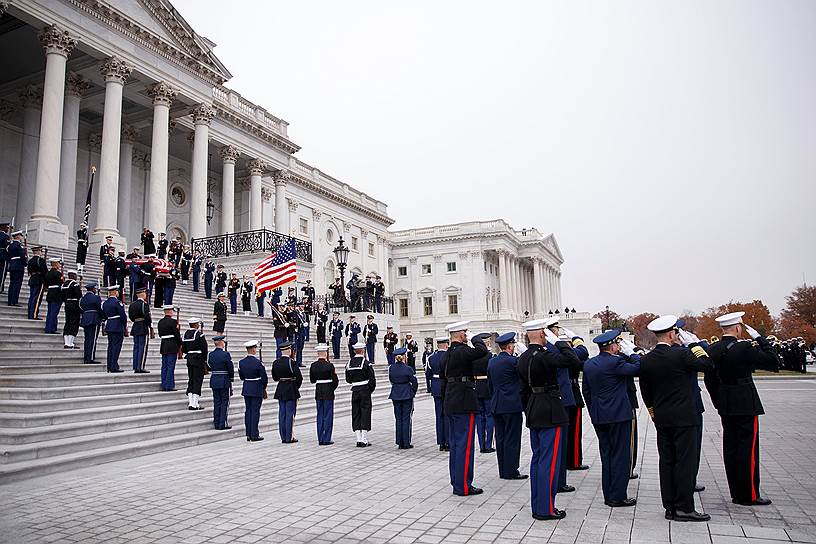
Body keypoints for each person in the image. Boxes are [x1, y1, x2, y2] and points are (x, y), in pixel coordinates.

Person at [640, 315, 713, 522]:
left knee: (667, 461)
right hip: (684, 417)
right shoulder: (681, 355)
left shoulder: (647, 360)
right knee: (685, 463)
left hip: (662, 417)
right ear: (672, 333)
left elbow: (645, 392)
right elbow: (708, 365)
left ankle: (670, 506)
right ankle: (684, 507)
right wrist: (696, 345)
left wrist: (654, 414)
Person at [704, 311, 780, 507]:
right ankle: (749, 494)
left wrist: (718, 400)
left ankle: (736, 492)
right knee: (748, 449)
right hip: (745, 403)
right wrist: (761, 339)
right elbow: (773, 361)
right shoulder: (744, 347)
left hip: (726, 403)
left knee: (731, 448)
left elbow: (709, 379)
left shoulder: (713, 349)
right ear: (738, 328)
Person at [517, 318, 582, 520]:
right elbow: (574, 361)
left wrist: (529, 409)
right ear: (544, 334)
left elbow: (523, 391)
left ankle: (539, 505)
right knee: (549, 462)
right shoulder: (545, 356)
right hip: (551, 411)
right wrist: (560, 342)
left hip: (534, 408)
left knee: (538, 461)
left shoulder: (523, 357)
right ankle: (546, 509)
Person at [582, 330, 641, 507]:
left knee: (606, 455)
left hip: (599, 415)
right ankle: (618, 496)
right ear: (614, 346)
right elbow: (638, 367)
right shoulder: (616, 362)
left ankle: (609, 494)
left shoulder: (590, 364)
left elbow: (586, 391)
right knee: (620, 456)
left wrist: (594, 412)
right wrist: (633, 352)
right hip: (618, 416)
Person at [442, 320, 489, 497]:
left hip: (452, 400)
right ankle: (463, 485)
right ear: (461, 335)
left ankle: (457, 481)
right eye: (466, 332)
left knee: (456, 444)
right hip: (464, 401)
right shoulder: (462, 351)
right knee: (465, 445)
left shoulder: (448, 353)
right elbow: (482, 351)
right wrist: (475, 338)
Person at [487, 332, 527, 480]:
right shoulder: (513, 362)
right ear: (510, 346)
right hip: (512, 405)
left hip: (497, 404)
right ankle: (511, 470)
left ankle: (503, 469)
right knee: (512, 438)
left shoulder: (492, 362)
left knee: (501, 437)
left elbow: (490, 385)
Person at [345, 341, 376, 447]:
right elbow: (372, 379)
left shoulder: (349, 363)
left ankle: (358, 438)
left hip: (355, 390)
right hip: (364, 390)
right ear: (363, 351)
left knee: (356, 413)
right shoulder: (366, 363)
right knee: (365, 413)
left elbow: (348, 379)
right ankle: (364, 439)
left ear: (354, 351)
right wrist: (369, 390)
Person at [272, 340, 303, 443]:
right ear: (289, 350)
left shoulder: (276, 362)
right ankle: (289, 437)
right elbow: (299, 378)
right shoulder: (291, 362)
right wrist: (295, 387)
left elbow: (275, 377)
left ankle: (283, 436)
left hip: (281, 388)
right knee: (290, 414)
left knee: (282, 414)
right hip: (290, 388)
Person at [470, 332, 496, 454]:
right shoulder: (490, 356)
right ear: (487, 343)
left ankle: (481, 444)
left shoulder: (473, 356)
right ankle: (488, 444)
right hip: (487, 387)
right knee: (489, 416)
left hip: (476, 387)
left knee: (479, 418)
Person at [389, 346, 418, 449]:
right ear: (404, 357)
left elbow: (391, 379)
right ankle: (406, 442)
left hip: (396, 393)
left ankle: (399, 442)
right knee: (406, 418)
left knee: (398, 418)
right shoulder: (408, 368)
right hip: (406, 393)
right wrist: (412, 392)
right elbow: (414, 382)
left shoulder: (391, 368)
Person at [310, 344, 339, 445]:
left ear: (318, 354)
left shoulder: (313, 365)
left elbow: (312, 380)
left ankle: (320, 438)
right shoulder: (329, 365)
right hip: (328, 391)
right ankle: (326, 438)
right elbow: (335, 381)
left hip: (318, 391)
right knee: (328, 415)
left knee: (320, 415)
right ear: (325, 353)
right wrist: (332, 388)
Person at [239, 340, 268, 442]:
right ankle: (254, 434)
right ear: (253, 349)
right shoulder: (258, 363)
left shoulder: (241, 362)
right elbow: (264, 378)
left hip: (247, 387)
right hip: (256, 388)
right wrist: (263, 387)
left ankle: (248, 434)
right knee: (255, 412)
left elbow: (242, 376)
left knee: (248, 411)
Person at [426, 336, 450, 451]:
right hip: (447, 386)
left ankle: (441, 442)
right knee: (447, 415)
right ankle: (448, 441)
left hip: (436, 386)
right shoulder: (449, 356)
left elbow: (428, 374)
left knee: (439, 416)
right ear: (446, 345)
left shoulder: (431, 358)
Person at [208, 335, 234, 430]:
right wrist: (231, 378)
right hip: (224, 380)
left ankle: (216, 422)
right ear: (221, 343)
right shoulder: (225, 354)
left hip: (214, 379)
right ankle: (222, 423)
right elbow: (230, 368)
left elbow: (209, 366)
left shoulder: (210, 355)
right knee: (224, 402)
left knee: (217, 402)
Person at [182, 318, 208, 410]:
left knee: (191, 380)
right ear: (196, 325)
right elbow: (204, 349)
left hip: (189, 359)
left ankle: (192, 402)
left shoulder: (185, 334)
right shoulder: (199, 335)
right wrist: (205, 360)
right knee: (198, 380)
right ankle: (194, 403)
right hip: (198, 359)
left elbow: (184, 349)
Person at [102, 285, 127, 373]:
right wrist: (125, 325)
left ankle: (110, 365)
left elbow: (104, 315)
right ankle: (114, 366)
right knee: (116, 347)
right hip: (117, 326)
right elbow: (123, 316)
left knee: (110, 346)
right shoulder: (117, 302)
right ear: (115, 292)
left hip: (109, 325)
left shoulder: (105, 303)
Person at [157, 305, 182, 391]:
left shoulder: (160, 322)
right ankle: (169, 385)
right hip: (172, 345)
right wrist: (180, 344)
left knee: (164, 366)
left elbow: (160, 334)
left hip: (164, 345)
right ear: (170, 311)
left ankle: (164, 384)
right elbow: (177, 335)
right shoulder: (173, 322)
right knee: (170, 366)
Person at [128, 287, 152, 373]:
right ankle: (140, 366)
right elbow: (147, 317)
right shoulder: (144, 304)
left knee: (136, 347)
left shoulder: (132, 304)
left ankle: (135, 366)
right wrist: (150, 325)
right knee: (142, 347)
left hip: (135, 326)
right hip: (143, 327)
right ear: (143, 294)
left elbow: (131, 317)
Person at [79, 282, 103, 363]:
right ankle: (90, 358)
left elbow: (80, 308)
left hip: (86, 318)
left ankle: (86, 357)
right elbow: (99, 309)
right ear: (93, 289)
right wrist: (103, 317)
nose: (95, 290)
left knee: (87, 339)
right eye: (95, 289)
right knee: (92, 340)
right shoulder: (96, 298)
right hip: (94, 319)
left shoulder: (82, 298)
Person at [43, 258, 64, 334]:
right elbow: (62, 283)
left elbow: (45, 284)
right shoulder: (58, 274)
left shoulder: (48, 273)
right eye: (58, 263)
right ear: (55, 264)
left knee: (50, 312)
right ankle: (51, 328)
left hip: (50, 293)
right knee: (54, 312)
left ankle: (49, 327)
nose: (59, 265)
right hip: (57, 294)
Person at [26, 246, 47, 319]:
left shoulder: (30, 260)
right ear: (38, 251)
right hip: (39, 280)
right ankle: (34, 314)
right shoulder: (41, 260)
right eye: (41, 251)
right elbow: (45, 272)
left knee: (32, 297)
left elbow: (29, 271)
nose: (41, 253)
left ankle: (30, 313)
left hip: (32, 279)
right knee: (37, 298)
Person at [6, 231, 26, 306]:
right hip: (18, 266)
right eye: (21, 235)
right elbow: (22, 256)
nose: (21, 237)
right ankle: (14, 301)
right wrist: (25, 263)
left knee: (12, 283)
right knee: (17, 284)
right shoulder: (19, 245)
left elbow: (8, 255)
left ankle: (10, 300)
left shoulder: (10, 245)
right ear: (17, 236)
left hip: (12, 265)